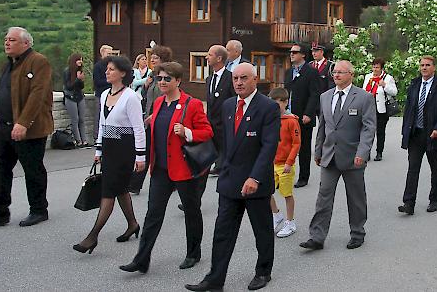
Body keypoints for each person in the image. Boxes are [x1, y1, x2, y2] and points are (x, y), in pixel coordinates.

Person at [186, 63, 280, 292]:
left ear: (255, 80)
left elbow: (268, 147)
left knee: (262, 231)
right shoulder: (228, 105)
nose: (238, 82)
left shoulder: (268, 107)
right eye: (236, 78)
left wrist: (255, 178)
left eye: (244, 78)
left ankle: (263, 271)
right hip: (230, 180)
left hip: (255, 182)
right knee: (222, 232)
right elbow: (223, 141)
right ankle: (215, 279)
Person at [119, 62, 213, 273]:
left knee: (191, 211)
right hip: (160, 168)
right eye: (159, 78)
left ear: (178, 81)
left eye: (166, 79)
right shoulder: (159, 102)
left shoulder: (193, 104)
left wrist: (187, 132)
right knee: (153, 214)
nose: (162, 82)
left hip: (184, 168)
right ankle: (141, 259)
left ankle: (193, 252)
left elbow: (207, 132)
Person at [300, 60, 376, 251]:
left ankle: (357, 233)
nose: (336, 75)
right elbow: (323, 126)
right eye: (334, 72)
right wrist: (318, 151)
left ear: (351, 74)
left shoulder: (364, 97)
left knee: (356, 198)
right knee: (323, 197)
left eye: (341, 72)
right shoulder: (325, 96)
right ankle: (317, 236)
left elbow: (368, 128)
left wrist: (363, 152)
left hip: (353, 157)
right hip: (329, 156)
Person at [73, 56, 146, 254]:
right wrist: (98, 150)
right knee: (120, 189)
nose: (107, 72)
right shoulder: (105, 94)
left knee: (109, 191)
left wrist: (141, 157)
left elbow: (139, 129)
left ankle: (92, 236)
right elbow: (103, 125)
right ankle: (133, 224)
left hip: (125, 149)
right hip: (109, 149)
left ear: (122, 73)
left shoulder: (131, 97)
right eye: (107, 69)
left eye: (112, 69)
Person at [0, 27, 53, 227]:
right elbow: (2, 93)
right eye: (6, 39)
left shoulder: (38, 61)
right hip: (3, 128)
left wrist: (23, 122)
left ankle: (38, 210)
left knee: (32, 169)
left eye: (12, 40)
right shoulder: (8, 65)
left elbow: (38, 94)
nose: (7, 43)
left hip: (29, 129)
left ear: (26, 43)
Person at [398, 56, 437, 215]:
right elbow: (409, 109)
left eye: (428, 65)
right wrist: (405, 131)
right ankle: (409, 203)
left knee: (436, 169)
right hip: (416, 133)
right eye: (422, 65)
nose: (424, 68)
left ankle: (434, 199)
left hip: (433, 134)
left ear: (434, 68)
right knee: (413, 168)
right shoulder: (414, 84)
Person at [128, 45, 172, 195]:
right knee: (145, 150)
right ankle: (135, 184)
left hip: (162, 118)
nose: (152, 59)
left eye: (156, 57)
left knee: (164, 152)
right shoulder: (152, 75)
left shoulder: (167, 76)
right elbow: (148, 97)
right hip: (148, 118)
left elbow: (168, 97)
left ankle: (175, 181)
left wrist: (156, 115)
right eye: (151, 57)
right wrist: (146, 86)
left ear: (163, 59)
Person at [284, 43, 320, 188]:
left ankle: (303, 177)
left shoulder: (311, 72)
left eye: (295, 52)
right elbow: (286, 92)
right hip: (288, 115)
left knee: (304, 148)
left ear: (303, 54)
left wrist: (308, 113)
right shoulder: (288, 72)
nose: (291, 54)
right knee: (286, 146)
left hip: (303, 117)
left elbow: (314, 94)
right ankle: (284, 176)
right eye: (290, 52)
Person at [268, 88, 301, 238]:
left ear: (285, 103)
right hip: (271, 163)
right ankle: (276, 215)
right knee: (265, 191)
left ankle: (290, 222)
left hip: (285, 164)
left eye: (277, 105)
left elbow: (296, 143)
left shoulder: (291, 121)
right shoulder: (269, 119)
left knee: (287, 194)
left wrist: (289, 162)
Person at [205, 45, 235, 176]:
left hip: (224, 120)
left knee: (224, 144)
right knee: (214, 144)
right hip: (211, 120)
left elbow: (234, 99)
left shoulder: (231, 77)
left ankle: (222, 165)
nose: (207, 57)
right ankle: (217, 164)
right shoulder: (209, 79)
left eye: (210, 55)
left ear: (219, 58)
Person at [363, 58, 397, 161]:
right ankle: (366, 152)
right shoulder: (368, 77)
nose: (375, 69)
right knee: (368, 131)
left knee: (380, 132)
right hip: (368, 108)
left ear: (381, 68)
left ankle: (379, 152)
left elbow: (394, 92)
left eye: (377, 67)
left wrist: (385, 86)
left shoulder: (388, 78)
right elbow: (364, 90)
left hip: (381, 109)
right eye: (373, 67)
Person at [63, 53, 89, 147]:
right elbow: (69, 87)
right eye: (79, 60)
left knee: (82, 119)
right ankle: (78, 141)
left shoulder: (80, 71)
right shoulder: (67, 71)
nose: (80, 61)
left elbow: (81, 87)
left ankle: (84, 140)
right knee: (75, 119)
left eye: (81, 59)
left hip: (79, 97)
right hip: (70, 97)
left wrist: (81, 80)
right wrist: (77, 79)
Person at [92, 44, 113, 142]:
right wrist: (109, 80)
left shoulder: (113, 66)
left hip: (111, 94)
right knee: (99, 115)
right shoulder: (98, 66)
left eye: (111, 53)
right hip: (100, 94)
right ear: (102, 53)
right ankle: (97, 137)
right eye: (108, 53)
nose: (110, 55)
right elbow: (97, 82)